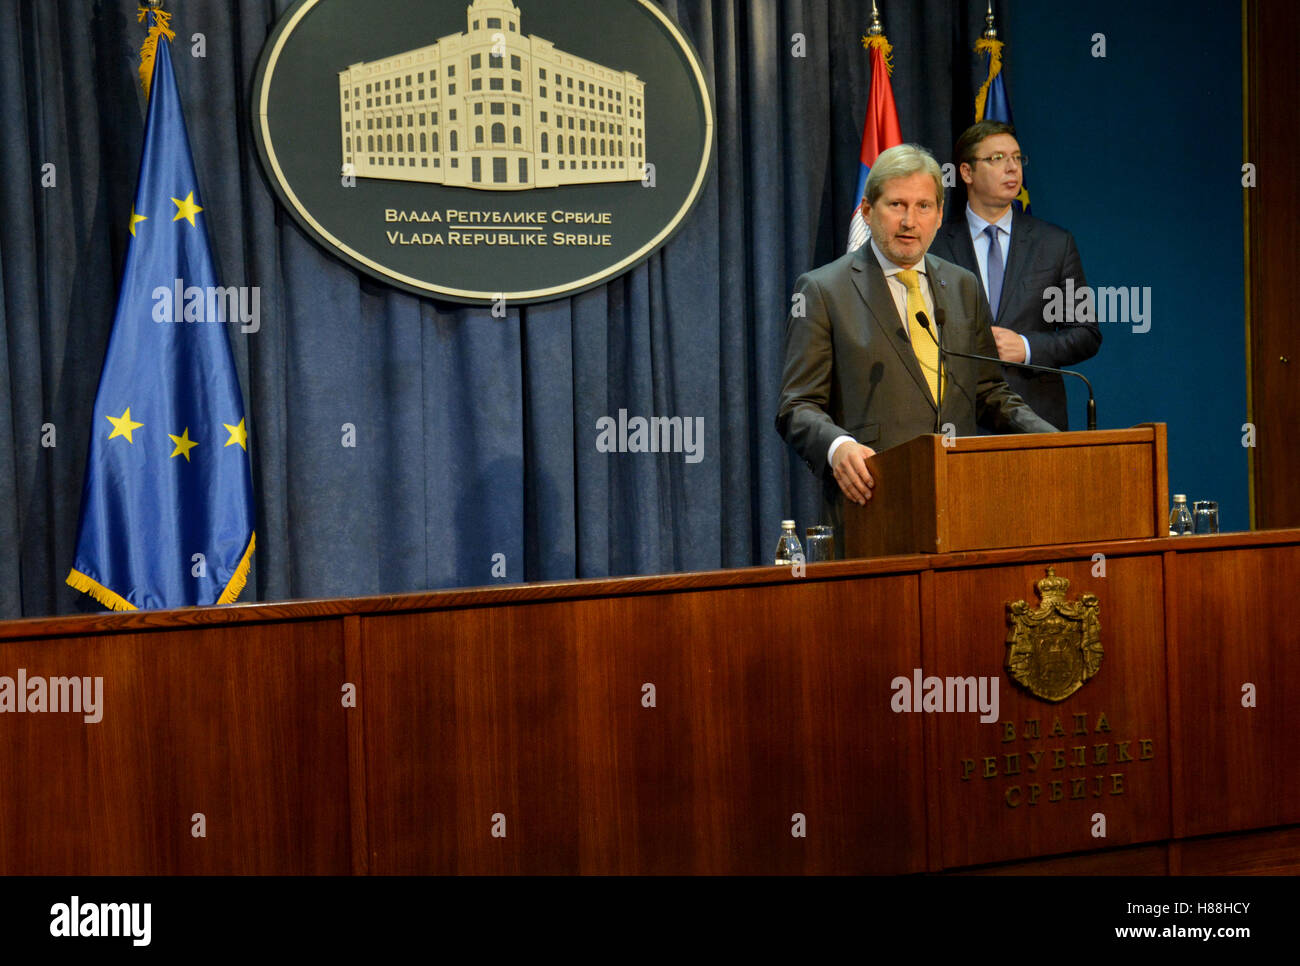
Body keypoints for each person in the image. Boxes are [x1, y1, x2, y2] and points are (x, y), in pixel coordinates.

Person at [775, 143, 1055, 537]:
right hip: (874, 504)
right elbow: (797, 406)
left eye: (924, 206)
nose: (910, 220)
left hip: (961, 505)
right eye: (897, 205)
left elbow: (989, 391)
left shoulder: (962, 286)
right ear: (868, 212)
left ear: (940, 216)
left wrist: (1054, 441)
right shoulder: (823, 291)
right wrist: (838, 447)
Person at [928, 121, 1100, 431]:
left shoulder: (1055, 244)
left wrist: (1027, 347)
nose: (1012, 168)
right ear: (966, 172)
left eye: (1017, 158)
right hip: (957, 423)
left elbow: (1086, 333)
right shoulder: (934, 245)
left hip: (1037, 421)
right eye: (996, 158)